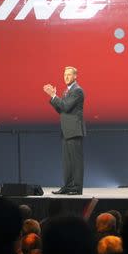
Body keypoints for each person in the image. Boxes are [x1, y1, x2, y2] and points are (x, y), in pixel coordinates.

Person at [44, 66, 86, 195]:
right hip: (66, 130)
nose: (66, 77)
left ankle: (76, 188)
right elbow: (61, 110)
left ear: (75, 76)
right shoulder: (66, 92)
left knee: (75, 162)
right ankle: (68, 186)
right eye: (64, 74)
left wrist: (53, 95)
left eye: (69, 74)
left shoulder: (77, 90)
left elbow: (66, 107)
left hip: (74, 130)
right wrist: (54, 98)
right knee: (67, 162)